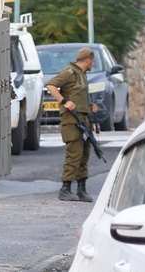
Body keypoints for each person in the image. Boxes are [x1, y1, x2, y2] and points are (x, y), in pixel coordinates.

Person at [45, 47, 99, 202]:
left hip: (83, 119)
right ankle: (66, 188)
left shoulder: (81, 74)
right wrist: (63, 101)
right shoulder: (70, 72)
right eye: (93, 61)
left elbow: (77, 95)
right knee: (74, 154)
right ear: (88, 60)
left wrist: (89, 106)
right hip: (72, 120)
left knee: (84, 155)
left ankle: (81, 189)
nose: (93, 64)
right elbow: (51, 85)